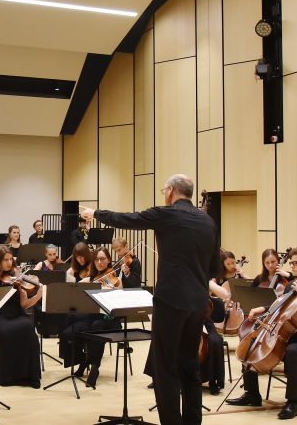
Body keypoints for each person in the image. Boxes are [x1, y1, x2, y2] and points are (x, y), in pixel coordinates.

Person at [81, 173, 220, 425]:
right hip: (198, 302)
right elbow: (214, 267)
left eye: (163, 190)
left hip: (171, 301)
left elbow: (128, 219)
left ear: (170, 191)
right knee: (190, 365)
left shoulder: (166, 214)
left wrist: (96, 214)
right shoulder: (208, 222)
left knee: (165, 367)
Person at [227, 247, 297, 419]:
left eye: (295, 263)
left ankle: (292, 403)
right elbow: (278, 306)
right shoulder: (291, 286)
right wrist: (262, 309)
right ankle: (252, 395)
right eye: (291, 263)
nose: (291, 266)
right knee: (252, 343)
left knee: (292, 351)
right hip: (291, 336)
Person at [0, 246, 42, 388]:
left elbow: (24, 304)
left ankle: (29, 376)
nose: (10, 263)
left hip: (17, 315)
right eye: (6, 260)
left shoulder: (17, 279)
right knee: (5, 332)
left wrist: (38, 295)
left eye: (11, 259)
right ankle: (8, 376)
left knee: (29, 329)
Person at [61, 247, 123, 388]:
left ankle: (94, 367)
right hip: (91, 319)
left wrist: (111, 290)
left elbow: (119, 303)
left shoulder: (116, 280)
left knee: (96, 327)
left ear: (108, 260)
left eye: (103, 259)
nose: (100, 262)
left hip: (110, 320)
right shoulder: (90, 279)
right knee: (67, 333)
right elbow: (75, 288)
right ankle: (84, 360)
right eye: (97, 259)